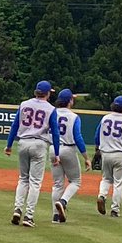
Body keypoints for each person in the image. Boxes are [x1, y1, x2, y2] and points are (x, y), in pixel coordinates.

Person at [5, 80, 62, 228]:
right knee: (35, 182)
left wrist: (9, 145)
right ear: (48, 93)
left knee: (23, 179)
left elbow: (15, 125)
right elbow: (55, 132)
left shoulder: (24, 104)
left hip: (23, 142)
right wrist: (56, 152)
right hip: (39, 143)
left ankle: (17, 209)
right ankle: (29, 216)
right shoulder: (51, 109)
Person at [50, 88, 86, 224]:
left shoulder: (52, 113)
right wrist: (86, 157)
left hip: (53, 148)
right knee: (75, 181)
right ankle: (63, 202)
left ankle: (55, 216)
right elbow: (78, 137)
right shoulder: (74, 116)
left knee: (57, 184)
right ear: (69, 101)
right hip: (68, 149)